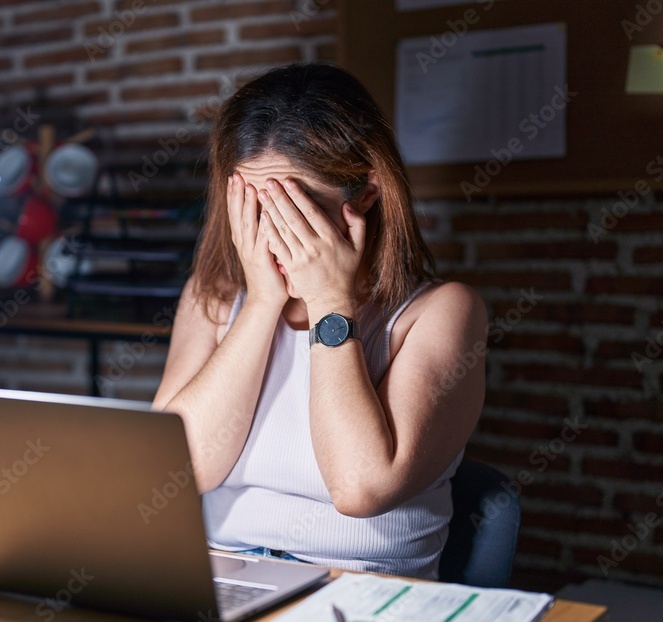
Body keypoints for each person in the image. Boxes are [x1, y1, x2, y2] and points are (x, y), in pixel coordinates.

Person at [152, 62, 486, 579]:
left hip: (363, 589)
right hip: (222, 578)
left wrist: (332, 301)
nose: (271, 236)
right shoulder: (213, 297)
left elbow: (360, 488)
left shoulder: (443, 312)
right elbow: (175, 472)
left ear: (366, 195)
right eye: (255, 209)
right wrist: (262, 303)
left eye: (295, 210)